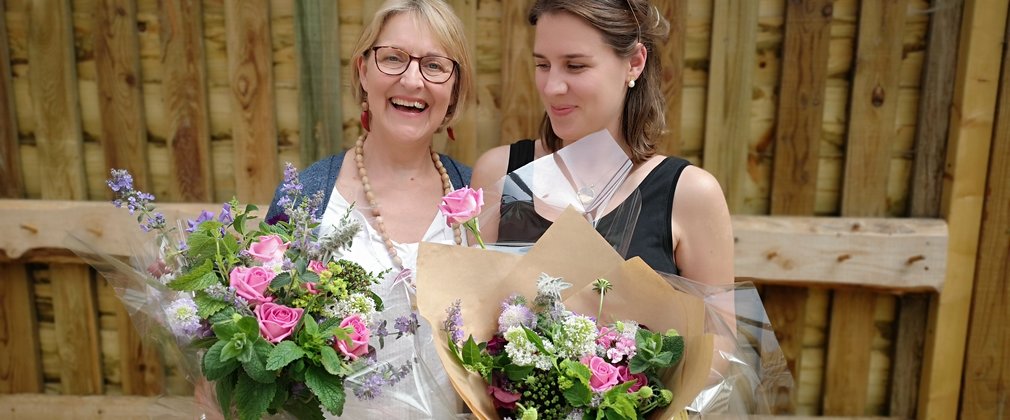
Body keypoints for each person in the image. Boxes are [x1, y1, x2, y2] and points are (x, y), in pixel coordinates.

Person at [262, 0, 473, 418]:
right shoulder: (306, 198)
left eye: (434, 65)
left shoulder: (477, 200)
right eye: (393, 58)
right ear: (362, 70)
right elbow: (262, 349)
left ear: (454, 89)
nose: (412, 80)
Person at [470, 0, 733, 288]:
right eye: (542, 65)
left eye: (575, 65)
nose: (551, 87)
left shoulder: (691, 194)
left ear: (634, 63)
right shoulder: (498, 172)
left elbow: (715, 333)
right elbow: (468, 316)